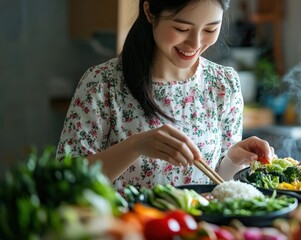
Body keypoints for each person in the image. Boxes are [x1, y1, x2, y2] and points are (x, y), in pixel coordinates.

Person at [56, 0, 275, 193]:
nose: (195, 43)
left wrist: (234, 160)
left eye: (210, 29)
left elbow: (218, 185)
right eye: (182, 28)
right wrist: (135, 146)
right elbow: (67, 182)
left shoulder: (223, 84)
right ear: (150, 12)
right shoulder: (102, 83)